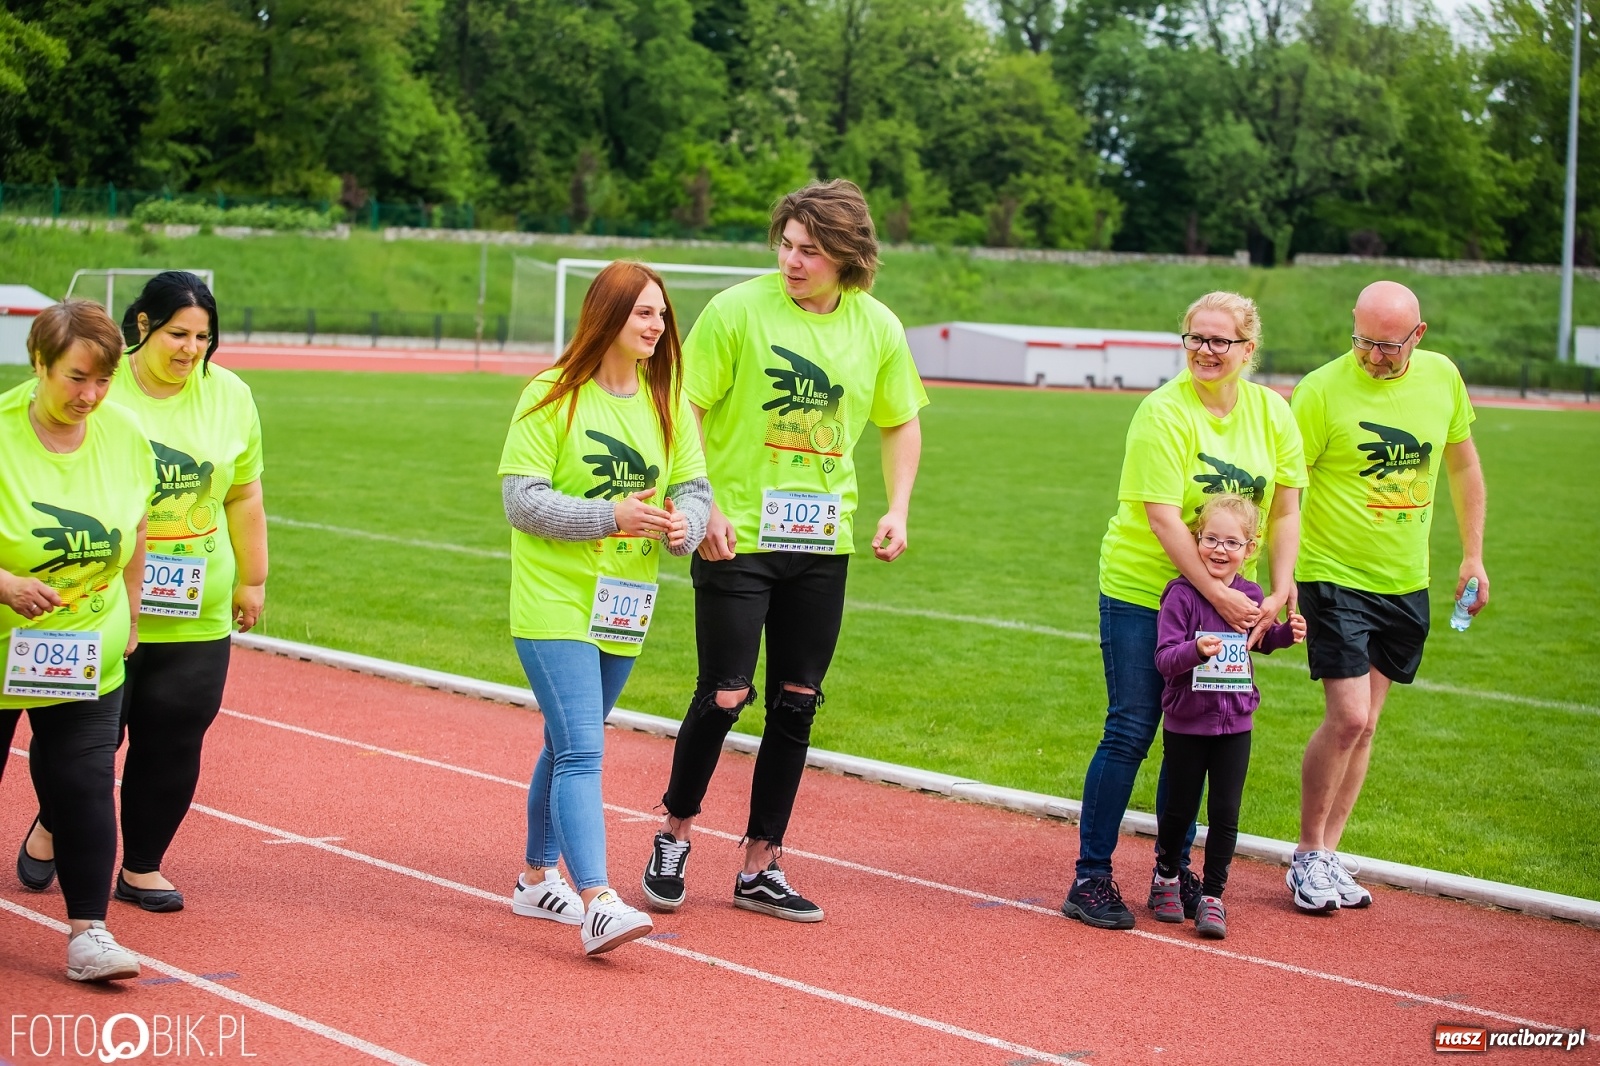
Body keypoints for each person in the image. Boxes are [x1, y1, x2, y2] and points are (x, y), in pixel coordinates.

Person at [640, 179, 927, 923]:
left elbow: (900, 421)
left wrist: (898, 507)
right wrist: (701, 504)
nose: (792, 261)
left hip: (822, 544)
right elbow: (683, 407)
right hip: (735, 534)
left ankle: (760, 864)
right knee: (725, 693)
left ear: (849, 259)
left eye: (811, 251)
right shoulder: (736, 310)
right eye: (787, 245)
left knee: (797, 702)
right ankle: (674, 833)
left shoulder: (878, 327)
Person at [18, 272, 267, 914]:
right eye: (179, 334)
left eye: (203, 337)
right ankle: (55, 818)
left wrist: (253, 578)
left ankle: (142, 866)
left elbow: (244, 492)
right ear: (143, 326)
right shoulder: (101, 388)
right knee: (81, 745)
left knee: (175, 737)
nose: (191, 349)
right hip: (94, 607)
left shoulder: (231, 395)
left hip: (194, 610)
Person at [1062, 291, 1306, 931]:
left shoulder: (1272, 413)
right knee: (1132, 726)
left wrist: (1279, 590)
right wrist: (1218, 596)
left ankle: (1170, 870)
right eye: (1196, 337)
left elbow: (1285, 510)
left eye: (1220, 340)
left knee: (1197, 736)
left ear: (1248, 349)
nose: (1205, 350)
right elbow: (1163, 518)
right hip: (1145, 591)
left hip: (1224, 597)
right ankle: (1090, 877)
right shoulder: (1163, 412)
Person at [499, 260, 710, 956]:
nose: (657, 326)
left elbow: (695, 490)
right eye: (643, 312)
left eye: (661, 314)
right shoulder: (551, 395)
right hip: (554, 599)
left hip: (623, 605)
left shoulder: (666, 402)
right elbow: (522, 501)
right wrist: (610, 516)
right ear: (608, 314)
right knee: (584, 749)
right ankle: (597, 900)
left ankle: (536, 878)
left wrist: (685, 526)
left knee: (565, 743)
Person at [1286, 280, 1486, 913]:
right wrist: (1281, 577)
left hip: (1405, 580)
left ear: (1417, 335)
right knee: (1347, 717)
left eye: (1388, 346)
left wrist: (1473, 555)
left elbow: (1463, 465)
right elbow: (1287, 487)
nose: (1373, 356)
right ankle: (1306, 854)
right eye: (1363, 341)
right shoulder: (1320, 390)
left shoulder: (1442, 377)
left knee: (1368, 724)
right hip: (1333, 574)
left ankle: (1329, 854)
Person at [0, 300, 153, 981]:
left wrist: (133, 614)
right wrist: (5, 584)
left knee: (86, 780)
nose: (90, 395)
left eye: (104, 380)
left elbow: (136, 527)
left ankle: (90, 933)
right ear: (39, 362)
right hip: (2, 638)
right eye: (75, 377)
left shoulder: (124, 434)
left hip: (83, 646)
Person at [1149, 494, 1305, 939]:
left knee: (1225, 812)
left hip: (1236, 722)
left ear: (1250, 548)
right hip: (1187, 722)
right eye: (1210, 539)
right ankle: (1166, 877)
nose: (1220, 550)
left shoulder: (1251, 595)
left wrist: (1286, 635)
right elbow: (1164, 659)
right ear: (1196, 539)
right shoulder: (1181, 596)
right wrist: (1196, 651)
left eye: (1232, 542)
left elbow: (1260, 639)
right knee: (1180, 809)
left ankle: (1213, 896)